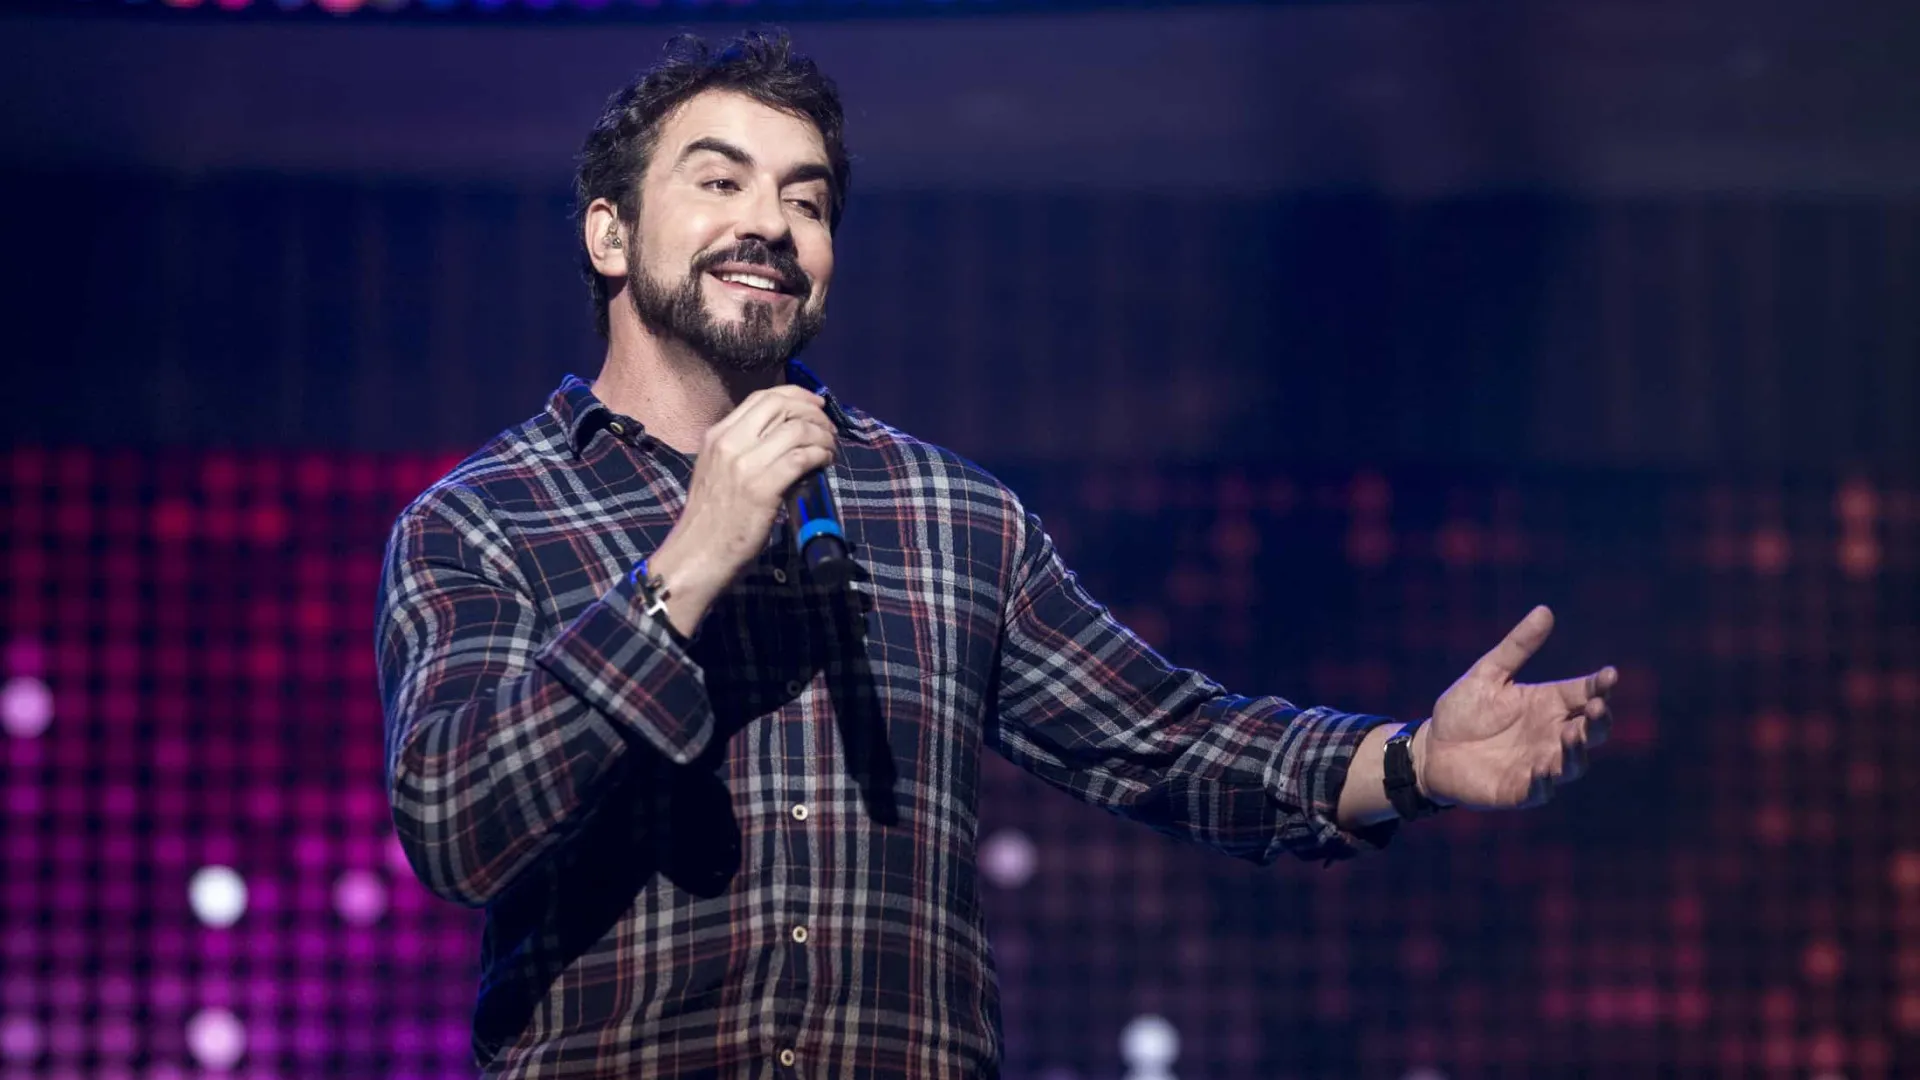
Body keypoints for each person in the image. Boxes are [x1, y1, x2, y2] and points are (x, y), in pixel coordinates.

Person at [375, 30, 1617, 1080]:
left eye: (807, 201)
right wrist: (685, 567)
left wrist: (1412, 761)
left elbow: (1167, 741)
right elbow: (455, 823)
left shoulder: (945, 514)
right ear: (609, 235)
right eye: (721, 182)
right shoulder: (482, 520)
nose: (769, 225)